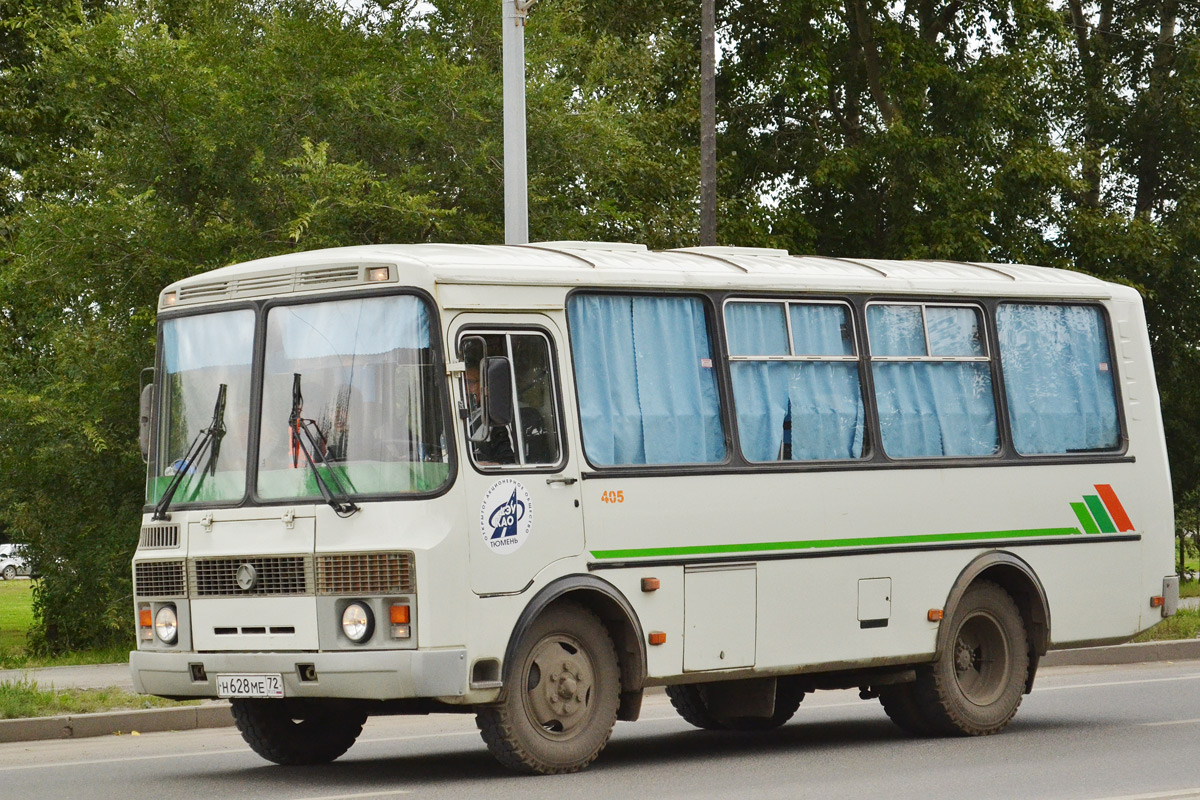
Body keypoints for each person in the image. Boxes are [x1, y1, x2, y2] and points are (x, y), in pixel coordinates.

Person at [465, 365, 515, 465]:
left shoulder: (496, 418)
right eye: (462, 383)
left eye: (470, 383)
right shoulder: (458, 417)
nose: (465, 388)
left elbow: (509, 463)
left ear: (486, 387)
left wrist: (481, 465)